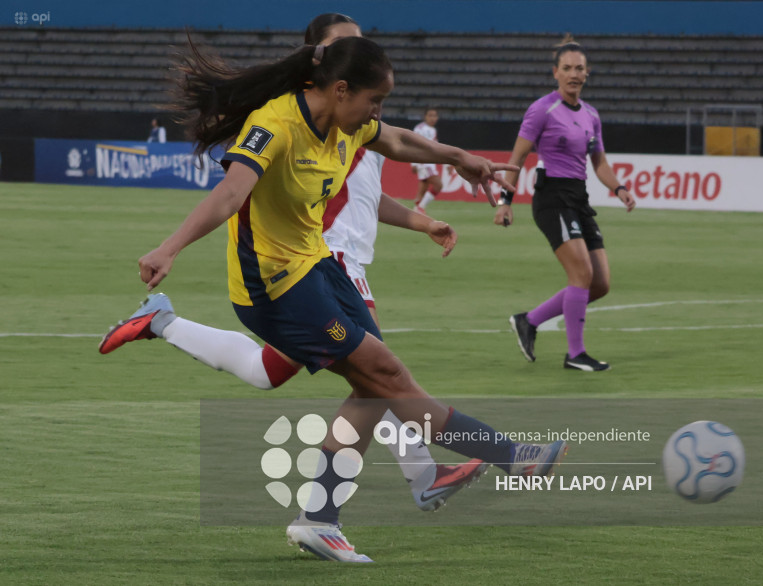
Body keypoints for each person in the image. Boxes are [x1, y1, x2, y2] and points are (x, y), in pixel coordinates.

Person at [103, 32, 566, 563]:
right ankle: (510, 457)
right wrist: (171, 247)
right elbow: (231, 193)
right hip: (272, 288)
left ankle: (320, 519)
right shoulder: (274, 124)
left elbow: (395, 140)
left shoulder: (349, 123)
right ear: (340, 89)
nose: (378, 112)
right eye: (375, 100)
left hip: (317, 267)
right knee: (386, 375)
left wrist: (459, 156)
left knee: (372, 388)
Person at [495, 36, 636, 372]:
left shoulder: (591, 115)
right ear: (555, 72)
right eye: (568, 68)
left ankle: (529, 320)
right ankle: (576, 354)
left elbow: (599, 162)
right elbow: (517, 157)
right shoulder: (542, 109)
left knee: (599, 283)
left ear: (587, 74)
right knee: (582, 274)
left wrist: (620, 188)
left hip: (579, 198)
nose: (574, 74)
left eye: (580, 68)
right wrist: (504, 201)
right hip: (552, 198)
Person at [411, 108, 442, 214]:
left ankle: (416, 209)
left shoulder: (433, 130)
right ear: (425, 116)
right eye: (430, 115)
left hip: (430, 163)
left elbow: (436, 147)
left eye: (435, 115)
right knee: (438, 185)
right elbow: (413, 144)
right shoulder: (420, 128)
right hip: (423, 162)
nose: (433, 118)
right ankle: (420, 208)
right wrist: (413, 163)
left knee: (423, 187)